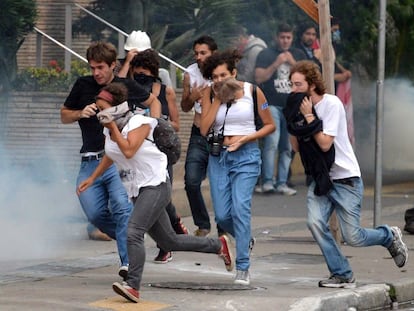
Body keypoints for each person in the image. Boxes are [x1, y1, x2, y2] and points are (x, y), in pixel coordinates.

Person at [77, 82, 234, 303]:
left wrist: (112, 127)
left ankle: (132, 286)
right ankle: (219, 245)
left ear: (116, 108)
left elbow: (129, 150)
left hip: (155, 184)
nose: (99, 112)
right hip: (136, 188)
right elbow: (112, 154)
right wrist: (92, 178)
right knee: (169, 241)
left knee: (134, 231)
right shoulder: (108, 129)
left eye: (102, 108)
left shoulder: (139, 122)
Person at [287, 60, 408, 288]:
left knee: (353, 237)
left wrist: (309, 117)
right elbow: (296, 148)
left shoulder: (330, 104)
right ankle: (342, 273)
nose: (293, 89)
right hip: (321, 180)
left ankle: (388, 236)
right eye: (291, 84)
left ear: (311, 84)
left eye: (298, 84)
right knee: (314, 223)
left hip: (345, 179)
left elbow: (324, 144)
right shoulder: (299, 108)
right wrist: (293, 121)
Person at [60, 41, 161, 280]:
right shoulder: (82, 85)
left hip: (117, 162)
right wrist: (79, 113)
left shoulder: (125, 86)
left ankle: (128, 265)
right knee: (94, 215)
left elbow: (154, 103)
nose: (96, 72)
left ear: (113, 66)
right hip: (90, 161)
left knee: (121, 209)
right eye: (92, 67)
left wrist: (152, 128)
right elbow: (64, 114)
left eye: (101, 67)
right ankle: (131, 239)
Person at [200, 49, 275, 285]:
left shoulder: (252, 91)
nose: (220, 80)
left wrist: (246, 138)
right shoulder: (210, 95)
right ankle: (245, 238)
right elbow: (204, 129)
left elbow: (269, 125)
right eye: (215, 76)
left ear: (233, 72)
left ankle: (243, 266)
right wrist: (218, 99)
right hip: (219, 157)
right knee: (222, 215)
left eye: (224, 75)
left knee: (240, 208)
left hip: (246, 156)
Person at [127, 48, 189, 263]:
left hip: (159, 152)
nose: (141, 77)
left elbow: (176, 124)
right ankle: (173, 226)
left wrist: (154, 120)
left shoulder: (165, 92)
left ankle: (166, 245)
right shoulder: (131, 90)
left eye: (145, 73)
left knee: (160, 197)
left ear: (154, 73)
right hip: (136, 152)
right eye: (137, 73)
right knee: (143, 199)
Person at [254, 23, 306, 194]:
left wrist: (292, 63)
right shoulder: (266, 54)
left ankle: (282, 182)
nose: (285, 41)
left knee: (287, 146)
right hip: (271, 104)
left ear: (292, 38)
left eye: (288, 37)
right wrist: (276, 64)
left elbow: (308, 78)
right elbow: (259, 78)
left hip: (291, 106)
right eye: (282, 37)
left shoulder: (298, 54)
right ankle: (268, 181)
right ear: (277, 37)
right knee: (271, 143)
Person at [181, 35, 222, 237]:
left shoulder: (222, 72)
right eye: (196, 53)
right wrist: (193, 96)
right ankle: (203, 224)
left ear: (213, 53)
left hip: (220, 133)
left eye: (203, 53)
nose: (199, 57)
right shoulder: (190, 73)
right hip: (198, 134)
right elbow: (185, 106)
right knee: (191, 180)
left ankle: (223, 225)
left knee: (220, 182)